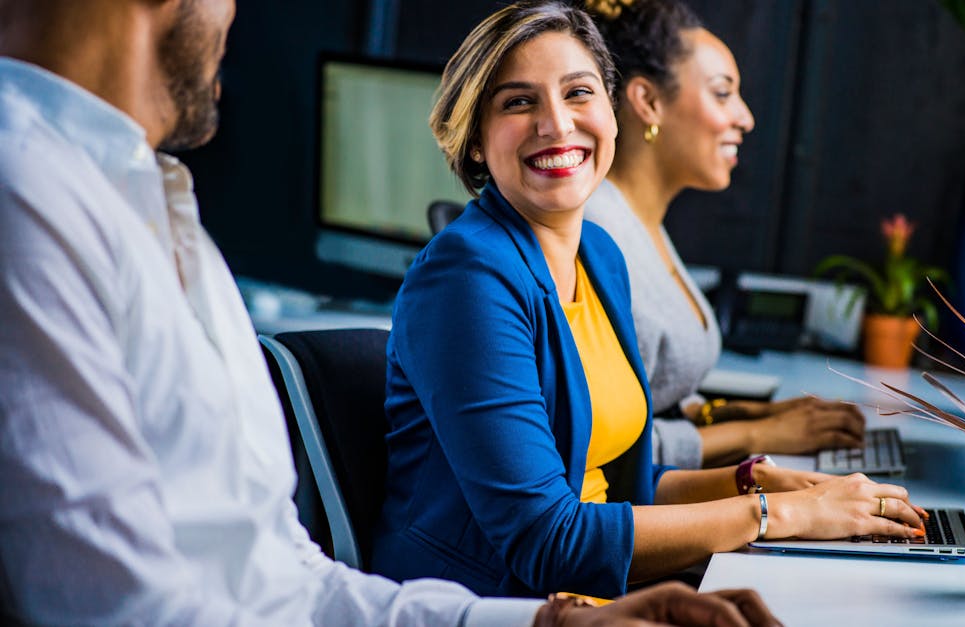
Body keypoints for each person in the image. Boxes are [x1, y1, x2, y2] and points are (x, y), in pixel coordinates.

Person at [0, 0, 779, 624]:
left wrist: (550, 624)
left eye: (579, 93)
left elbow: (285, 573)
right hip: (517, 577)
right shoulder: (28, 197)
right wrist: (765, 512)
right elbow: (114, 606)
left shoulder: (158, 207)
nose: (236, 15)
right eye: (520, 102)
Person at [374, 0, 927, 601]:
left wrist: (753, 481)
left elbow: (619, 489)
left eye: (579, 93)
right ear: (477, 140)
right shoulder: (467, 278)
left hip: (597, 592)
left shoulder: (600, 255)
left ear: (612, 113)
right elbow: (546, 540)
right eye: (518, 101)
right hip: (494, 605)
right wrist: (779, 515)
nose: (557, 124)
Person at [580, 0, 868, 470]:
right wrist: (757, 433)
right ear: (648, 102)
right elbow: (601, 446)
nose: (746, 118)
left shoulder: (640, 222)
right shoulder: (596, 232)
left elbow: (657, 398)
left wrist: (754, 413)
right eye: (722, 94)